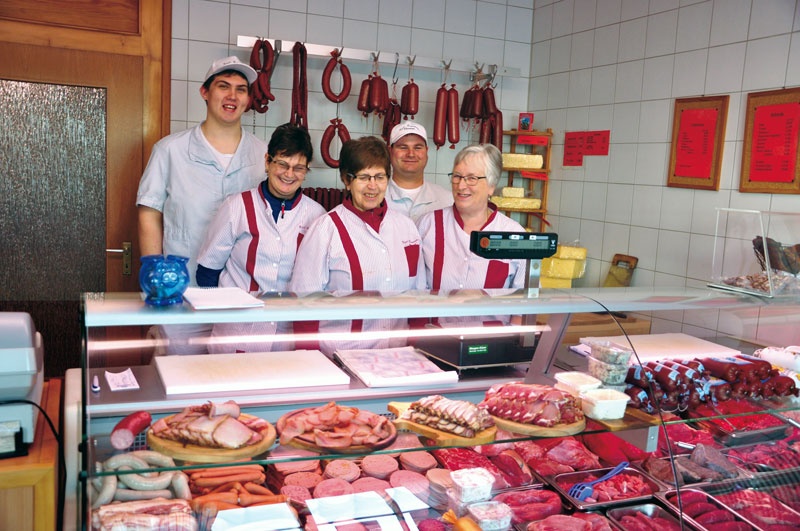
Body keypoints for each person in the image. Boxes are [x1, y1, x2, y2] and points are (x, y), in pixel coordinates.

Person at [136, 56, 267, 354]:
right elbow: (149, 214)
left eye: (241, 89)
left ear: (248, 100)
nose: (232, 96)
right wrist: (156, 282)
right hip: (183, 292)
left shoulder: (264, 155)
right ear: (205, 92)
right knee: (181, 374)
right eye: (223, 86)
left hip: (242, 296)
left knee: (235, 376)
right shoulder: (170, 150)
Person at [289, 136, 426, 354]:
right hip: (341, 356)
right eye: (363, 177)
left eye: (379, 177)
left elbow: (419, 299)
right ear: (347, 180)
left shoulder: (406, 227)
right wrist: (312, 361)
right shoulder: (325, 229)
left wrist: (418, 349)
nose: (372, 186)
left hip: (398, 355)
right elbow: (304, 306)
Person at [195, 123, 325, 353]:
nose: (289, 174)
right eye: (282, 164)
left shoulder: (316, 215)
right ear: (267, 161)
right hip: (236, 332)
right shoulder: (237, 207)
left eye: (298, 168)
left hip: (287, 337)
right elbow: (207, 272)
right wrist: (227, 312)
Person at [417, 144, 527, 293]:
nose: (461, 186)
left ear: (491, 186)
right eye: (457, 176)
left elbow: (525, 300)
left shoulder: (514, 234)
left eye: (472, 178)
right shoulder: (428, 225)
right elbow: (415, 291)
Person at [386, 121, 453, 222]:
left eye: (417, 147)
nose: (411, 154)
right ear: (390, 151)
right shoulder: (376, 198)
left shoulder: (448, 200)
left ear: (426, 151)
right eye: (403, 147)